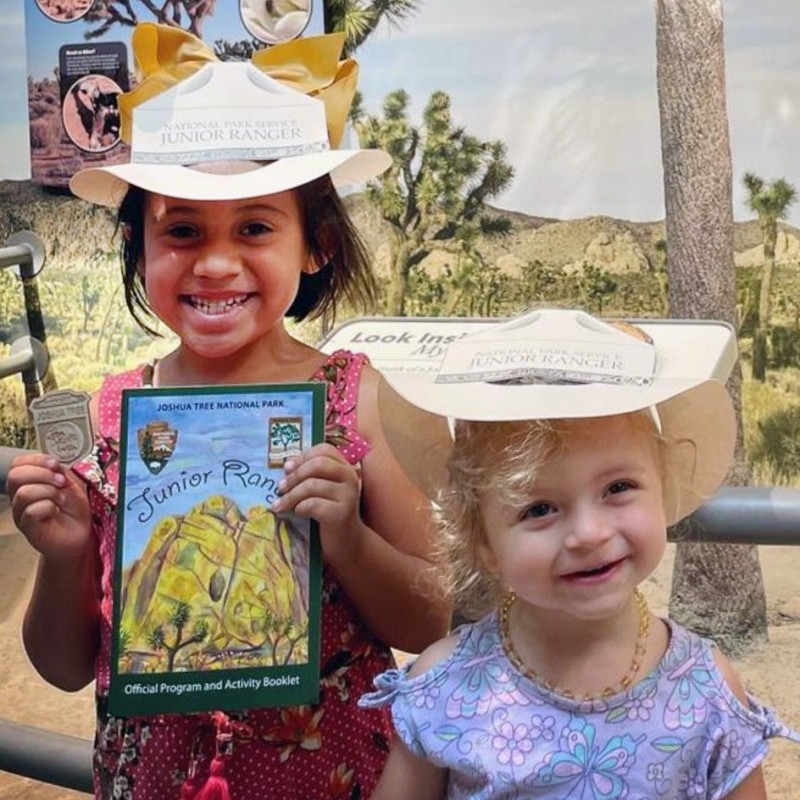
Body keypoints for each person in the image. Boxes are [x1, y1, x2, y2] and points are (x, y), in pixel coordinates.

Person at [5, 22, 450, 800]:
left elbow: (430, 622)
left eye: (255, 227)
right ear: (139, 248)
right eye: (181, 230)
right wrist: (65, 553)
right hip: (153, 779)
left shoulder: (360, 401)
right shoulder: (115, 413)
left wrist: (347, 537)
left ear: (316, 244)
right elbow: (65, 666)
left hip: (332, 776)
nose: (215, 262)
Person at [360, 308, 800, 799]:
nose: (588, 533)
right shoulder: (443, 686)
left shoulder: (706, 689)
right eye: (539, 508)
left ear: (664, 486)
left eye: (618, 487)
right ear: (482, 540)